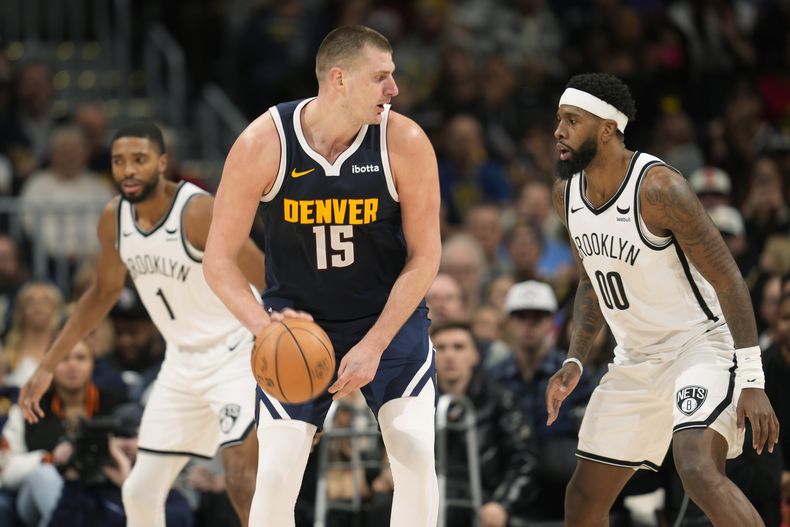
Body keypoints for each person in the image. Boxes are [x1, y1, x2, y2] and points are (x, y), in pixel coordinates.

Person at [203, 25, 441, 527]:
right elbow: (218, 260)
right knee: (276, 473)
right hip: (297, 324)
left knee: (415, 454)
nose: (394, 90)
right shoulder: (263, 143)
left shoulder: (405, 141)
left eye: (392, 77)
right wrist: (266, 330)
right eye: (381, 78)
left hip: (387, 320)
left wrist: (374, 345)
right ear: (339, 79)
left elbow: (425, 258)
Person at [544, 73, 780, 526]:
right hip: (635, 359)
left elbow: (730, 279)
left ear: (608, 128)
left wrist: (752, 378)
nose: (558, 131)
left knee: (695, 467)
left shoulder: (659, 189)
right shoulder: (566, 195)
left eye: (571, 120)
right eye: (558, 120)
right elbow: (591, 282)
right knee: (583, 497)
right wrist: (575, 359)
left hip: (701, 347)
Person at [17, 121, 265, 527]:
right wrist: (48, 364)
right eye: (118, 161)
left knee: (241, 476)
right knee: (140, 491)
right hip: (182, 362)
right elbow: (102, 293)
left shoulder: (198, 211)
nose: (128, 170)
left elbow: (265, 276)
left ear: (162, 163)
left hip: (237, 353)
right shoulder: (113, 218)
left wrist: (285, 349)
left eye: (139, 160)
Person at [433, 321, 538, 527]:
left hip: (484, 496)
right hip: (432, 493)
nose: (449, 355)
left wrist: (502, 503)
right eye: (441, 348)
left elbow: (525, 459)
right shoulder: (418, 402)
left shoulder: (499, 398)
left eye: (459, 347)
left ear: (475, 356)